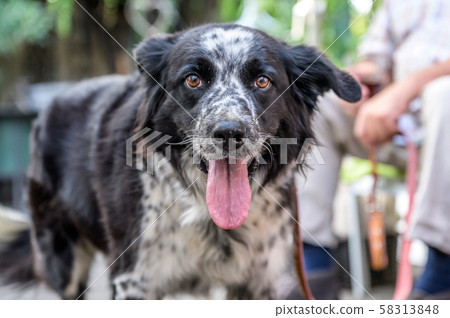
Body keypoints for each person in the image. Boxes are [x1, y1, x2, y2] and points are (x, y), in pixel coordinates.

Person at [296, 0, 450, 300]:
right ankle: (313, 270)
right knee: (319, 101)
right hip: (397, 129)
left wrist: (404, 92)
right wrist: (358, 81)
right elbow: (375, 60)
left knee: (445, 96)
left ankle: (442, 273)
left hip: (440, 119)